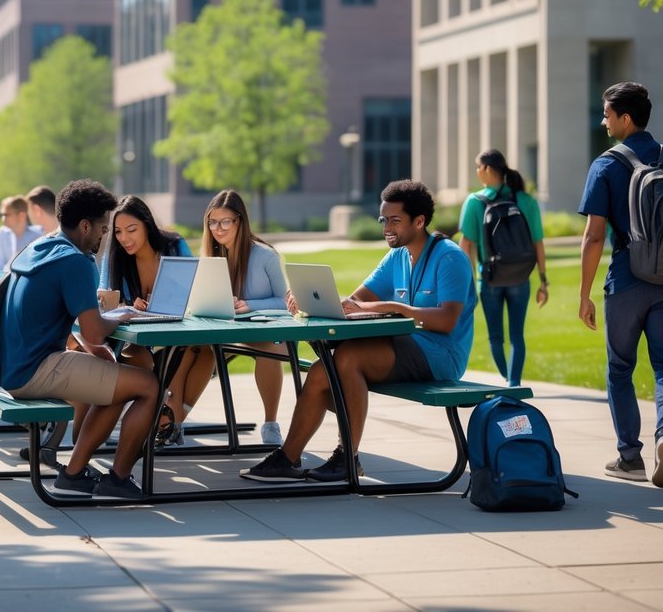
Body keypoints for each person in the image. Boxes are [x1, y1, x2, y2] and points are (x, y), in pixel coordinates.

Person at [241, 180, 476, 483]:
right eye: (383, 219)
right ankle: (288, 458)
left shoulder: (449, 257)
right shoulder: (397, 257)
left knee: (350, 358)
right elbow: (357, 301)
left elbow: (446, 321)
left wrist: (396, 308)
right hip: (404, 345)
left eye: (395, 220)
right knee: (320, 372)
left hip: (441, 356)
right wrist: (317, 301)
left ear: (419, 222)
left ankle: (347, 458)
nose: (386, 227)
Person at [1, 179, 159, 500]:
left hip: (13, 366)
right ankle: (116, 478)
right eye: (103, 229)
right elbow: (92, 332)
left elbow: (84, 330)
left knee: (116, 379)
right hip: (37, 369)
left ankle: (75, 472)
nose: (104, 238)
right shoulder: (75, 261)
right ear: (85, 226)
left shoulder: (40, 247)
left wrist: (99, 345)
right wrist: (119, 315)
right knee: (149, 386)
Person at [579, 81, 663, 488]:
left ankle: (630, 457)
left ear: (625, 118)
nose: (603, 120)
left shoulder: (606, 165)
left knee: (620, 368)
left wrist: (584, 295)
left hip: (628, 279)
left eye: (607, 113)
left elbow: (594, 236)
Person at [97, 195, 191, 442]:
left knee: (201, 352)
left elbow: (194, 288)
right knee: (142, 359)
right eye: (118, 232)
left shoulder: (175, 246)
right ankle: (162, 417)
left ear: (147, 225)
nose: (124, 238)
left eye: (131, 230)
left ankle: (173, 419)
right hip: (134, 341)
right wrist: (128, 305)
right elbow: (104, 300)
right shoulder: (115, 257)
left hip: (177, 329)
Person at [200, 190, 290, 446]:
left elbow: (285, 302)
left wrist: (249, 305)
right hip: (226, 332)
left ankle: (271, 424)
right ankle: (174, 419)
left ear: (240, 221)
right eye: (213, 222)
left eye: (225, 221)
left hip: (265, 333)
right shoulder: (211, 256)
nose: (218, 228)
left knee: (268, 350)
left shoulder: (265, 255)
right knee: (194, 350)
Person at [458, 149, 548, 387]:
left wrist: (465, 282)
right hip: (520, 276)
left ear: (487, 169)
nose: (477, 171)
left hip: (489, 279)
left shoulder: (475, 201)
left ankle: (508, 379)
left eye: (478, 167)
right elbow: (538, 242)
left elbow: (464, 246)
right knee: (517, 335)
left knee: (495, 338)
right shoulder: (525, 200)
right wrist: (543, 280)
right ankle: (514, 383)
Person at [0, 195, 42, 272]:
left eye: (6, 215)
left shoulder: (38, 236)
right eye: (2, 215)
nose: (2, 218)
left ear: (21, 215)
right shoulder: (2, 233)